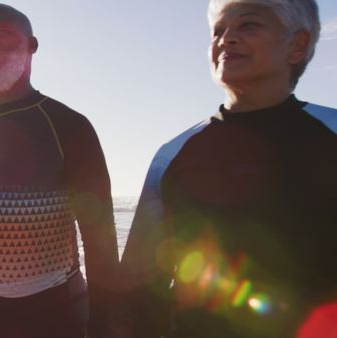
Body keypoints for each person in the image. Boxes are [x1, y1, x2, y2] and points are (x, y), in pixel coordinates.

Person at [117, 0, 337, 337]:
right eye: (218, 31)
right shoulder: (173, 154)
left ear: (298, 45)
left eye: (248, 25)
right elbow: (141, 284)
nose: (226, 39)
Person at [0, 4, 119, 338]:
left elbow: (101, 239)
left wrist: (102, 325)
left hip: (54, 313)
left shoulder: (68, 127)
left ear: (31, 45)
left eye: (3, 34)